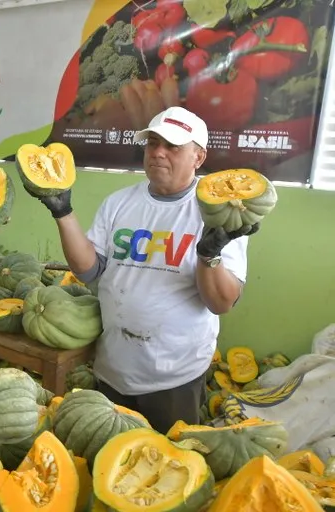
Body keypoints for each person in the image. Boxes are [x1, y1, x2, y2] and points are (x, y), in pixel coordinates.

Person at [30, 106, 259, 433]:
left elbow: (221, 303)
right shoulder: (120, 202)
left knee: (166, 469)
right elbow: (89, 270)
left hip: (173, 379)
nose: (158, 153)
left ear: (198, 156)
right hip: (113, 368)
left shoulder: (219, 213)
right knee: (108, 462)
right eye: (152, 143)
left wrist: (209, 254)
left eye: (172, 146)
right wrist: (63, 212)